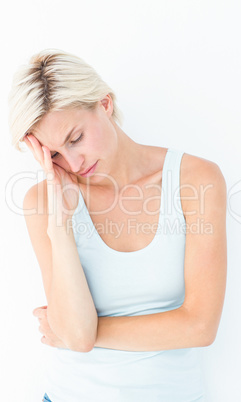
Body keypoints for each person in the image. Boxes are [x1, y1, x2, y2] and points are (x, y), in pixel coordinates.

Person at [8, 48, 227, 402]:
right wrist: (60, 223)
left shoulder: (196, 180)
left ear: (104, 104)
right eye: (54, 155)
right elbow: (75, 336)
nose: (73, 162)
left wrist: (81, 331)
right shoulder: (43, 201)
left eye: (75, 138)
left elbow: (200, 325)